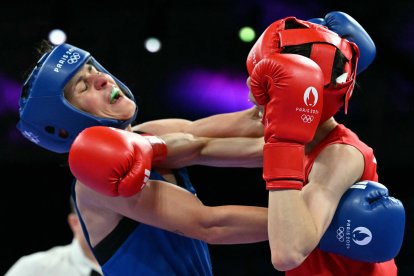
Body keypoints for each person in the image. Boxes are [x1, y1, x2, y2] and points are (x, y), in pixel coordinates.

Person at [17, 40, 269, 276]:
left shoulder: (151, 132)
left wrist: (277, 94)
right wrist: (303, 222)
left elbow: (241, 129)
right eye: (83, 86)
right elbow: (210, 225)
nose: (102, 79)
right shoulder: (93, 184)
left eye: (92, 68)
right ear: (65, 123)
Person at [245, 11, 405, 275]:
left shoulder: (339, 155)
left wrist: (283, 142)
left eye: (265, 82)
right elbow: (197, 142)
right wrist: (154, 144)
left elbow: (287, 253)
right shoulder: (287, 129)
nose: (252, 94)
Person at [5, 199, 102, 276]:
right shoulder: (35, 268)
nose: (106, 224)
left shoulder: (117, 268)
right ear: (75, 223)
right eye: (97, 214)